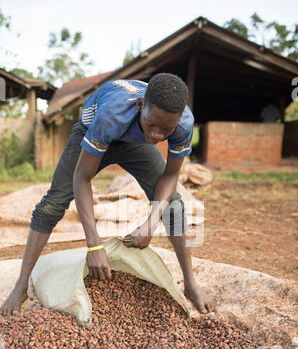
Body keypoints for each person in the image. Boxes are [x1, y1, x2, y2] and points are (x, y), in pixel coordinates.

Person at [0, 73, 213, 315]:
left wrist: (151, 224)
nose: (157, 136)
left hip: (134, 143)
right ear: (141, 105)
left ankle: (191, 285)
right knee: (52, 204)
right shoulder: (112, 114)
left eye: (166, 129)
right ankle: (20, 286)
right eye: (152, 125)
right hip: (93, 132)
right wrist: (94, 246)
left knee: (173, 204)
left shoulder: (182, 123)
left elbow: (170, 176)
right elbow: (82, 178)